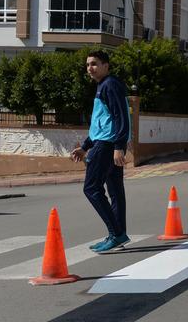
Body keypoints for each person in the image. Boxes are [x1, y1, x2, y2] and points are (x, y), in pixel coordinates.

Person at [70, 50, 131, 253]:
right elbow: (102, 122)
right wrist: (85, 147)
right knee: (114, 191)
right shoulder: (102, 86)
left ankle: (116, 233)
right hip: (104, 143)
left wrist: (119, 147)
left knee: (92, 189)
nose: (90, 68)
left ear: (106, 66)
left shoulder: (110, 85)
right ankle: (118, 234)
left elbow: (120, 117)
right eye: (87, 65)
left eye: (94, 64)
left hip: (107, 145)